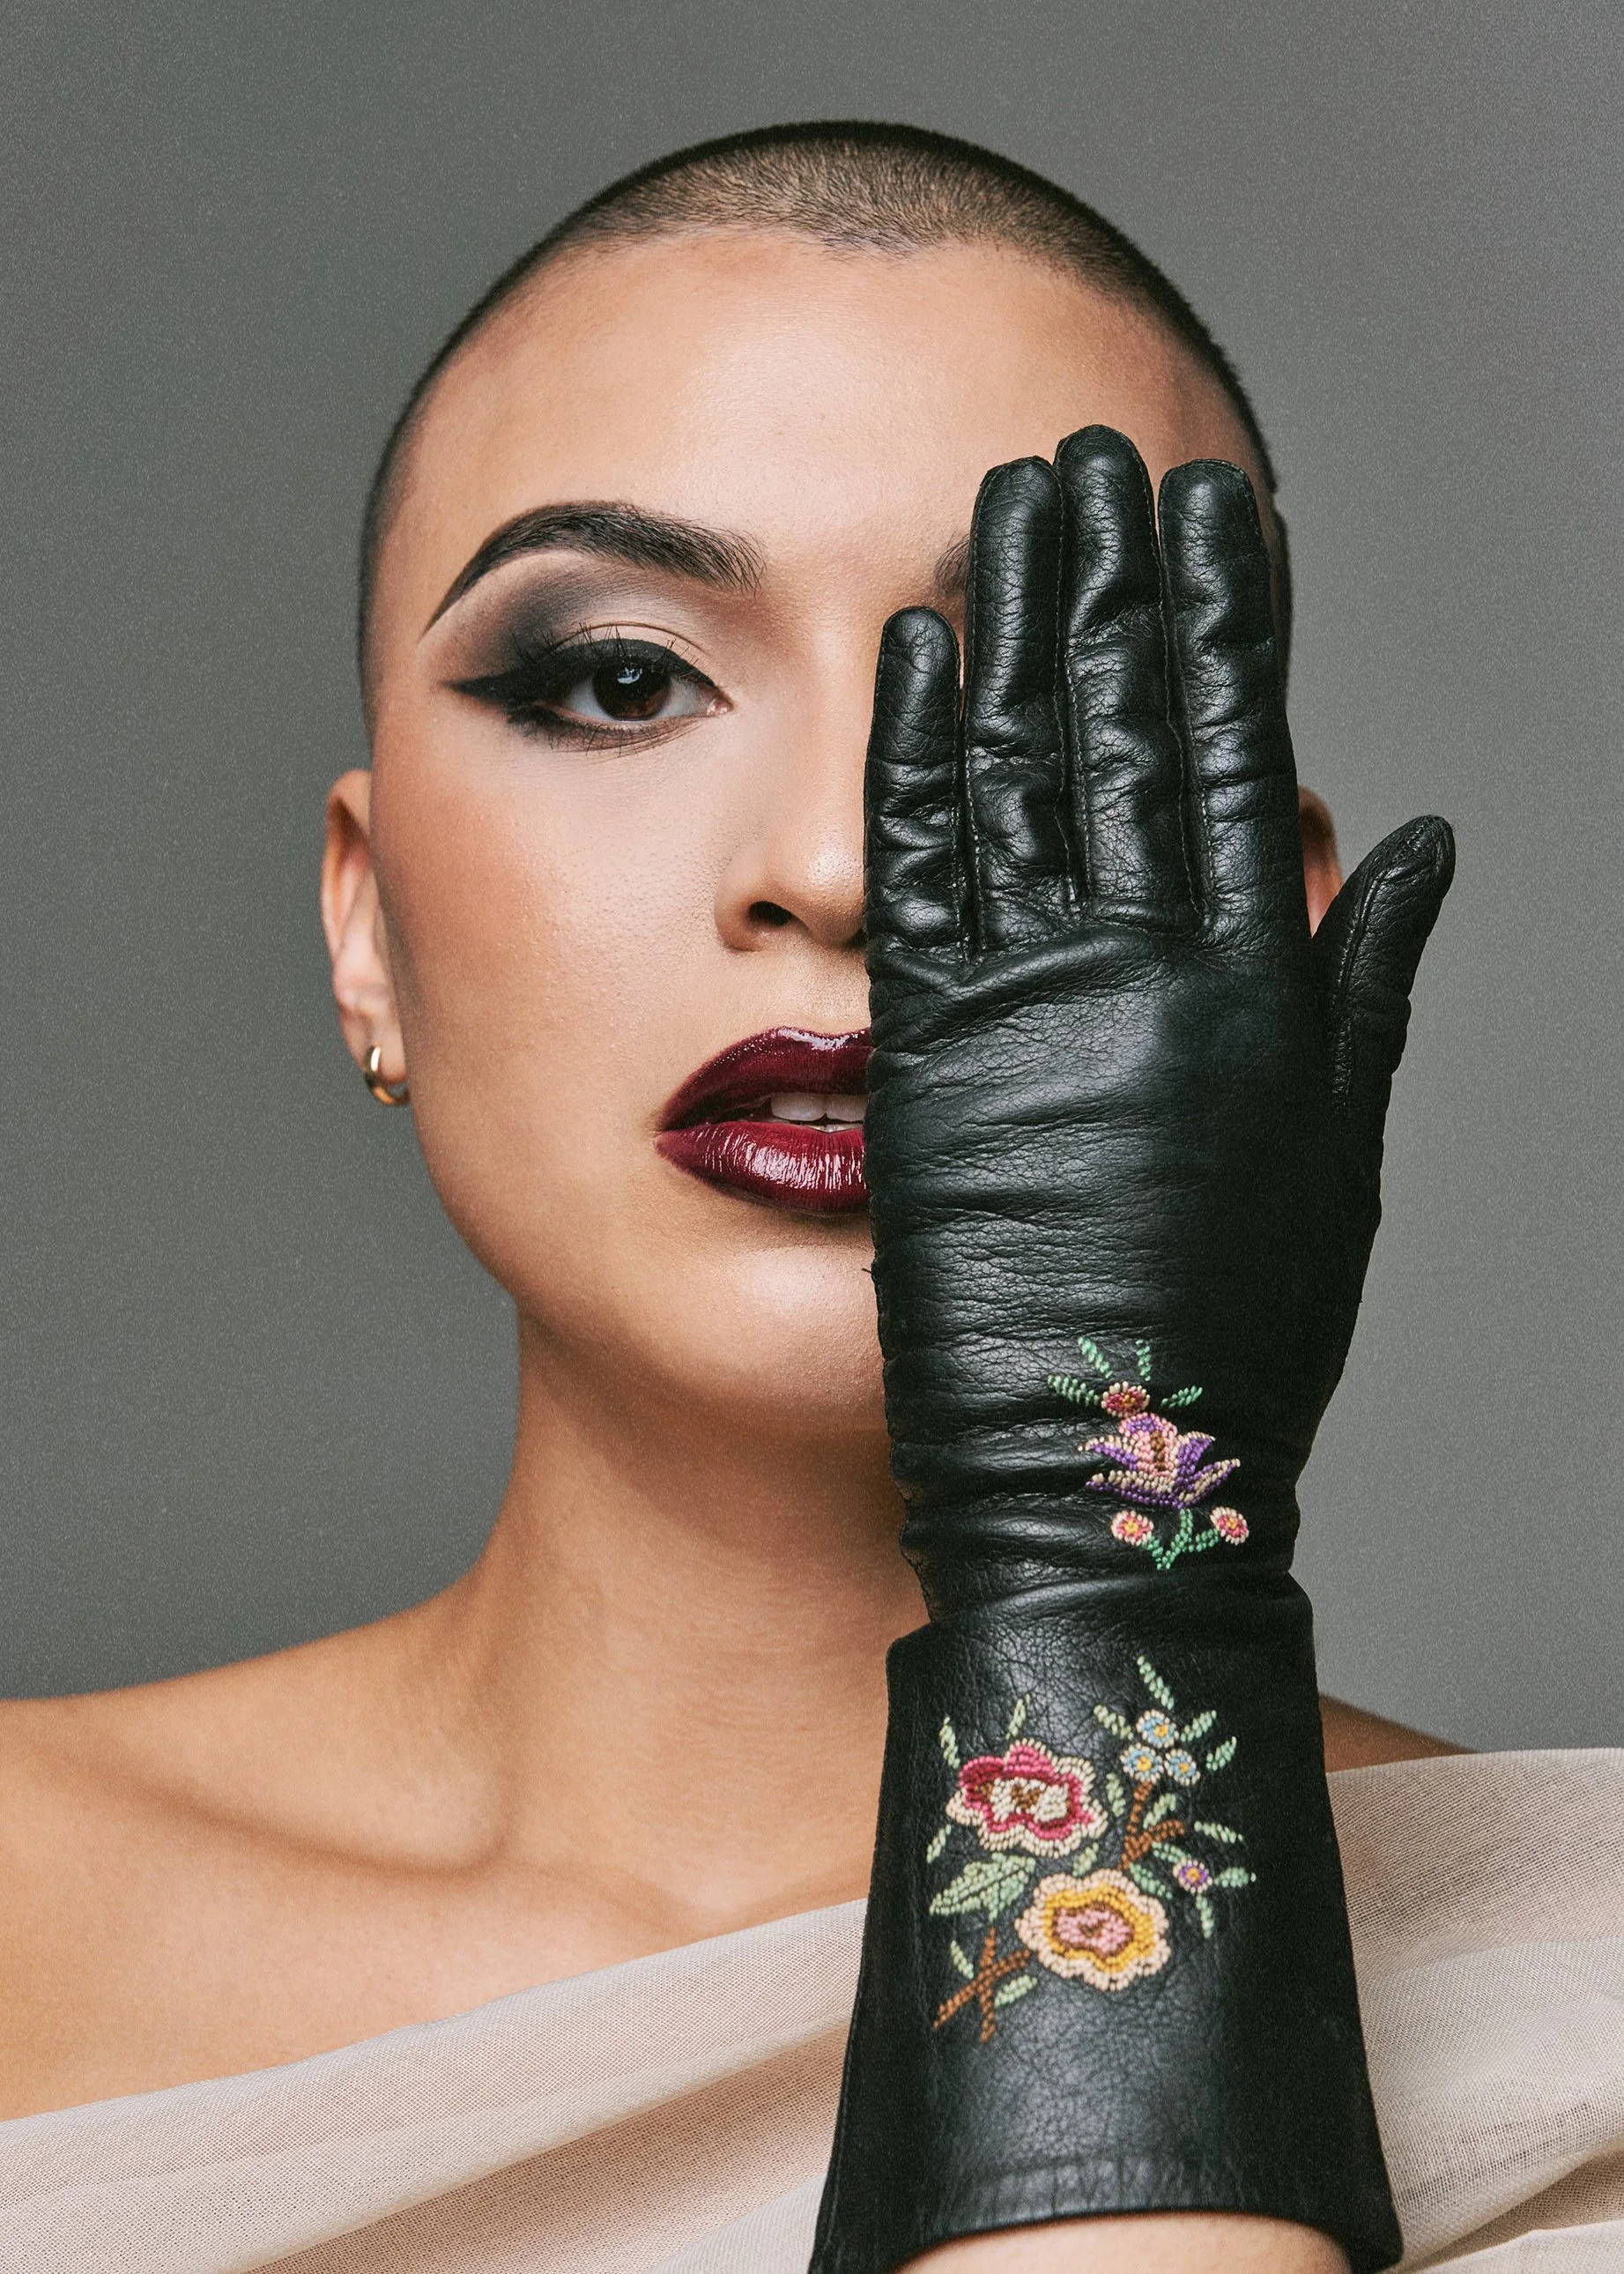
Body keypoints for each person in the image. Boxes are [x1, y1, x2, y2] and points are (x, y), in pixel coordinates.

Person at [0, 123, 1618, 2274]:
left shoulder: (1585, 1995)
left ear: (1275, 944)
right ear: (368, 926)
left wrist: (1102, 1569)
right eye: (618, 680)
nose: (845, 872)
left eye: (1042, 694)